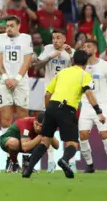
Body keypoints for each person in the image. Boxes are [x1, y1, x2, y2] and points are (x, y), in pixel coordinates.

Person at [23, 50, 107, 179]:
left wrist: (48, 110)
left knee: (45, 141)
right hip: (67, 109)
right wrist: (99, 112)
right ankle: (64, 160)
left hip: (51, 106)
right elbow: (89, 94)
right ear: (86, 62)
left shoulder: (62, 72)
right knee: (72, 143)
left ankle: (27, 170)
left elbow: (47, 93)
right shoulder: (85, 75)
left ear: (72, 61)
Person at [32, 29, 76, 172]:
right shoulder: (47, 49)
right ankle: (51, 161)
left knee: (68, 128)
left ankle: (71, 161)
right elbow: (37, 66)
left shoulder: (71, 52)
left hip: (65, 94)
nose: (55, 41)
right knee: (48, 129)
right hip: (50, 93)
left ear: (64, 39)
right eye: (53, 38)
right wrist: (50, 56)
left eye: (58, 38)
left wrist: (70, 55)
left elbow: (79, 70)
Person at [79, 39, 107, 174]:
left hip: (102, 105)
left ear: (95, 50)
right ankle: (90, 166)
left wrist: (104, 97)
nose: (85, 48)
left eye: (88, 46)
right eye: (84, 46)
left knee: (104, 133)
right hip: (86, 105)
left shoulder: (106, 66)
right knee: (83, 135)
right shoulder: (80, 67)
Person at [0, 15, 33, 128]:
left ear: (19, 26)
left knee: (23, 116)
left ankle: (23, 143)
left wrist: (16, 80)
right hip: (4, 81)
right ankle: (7, 144)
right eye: (7, 26)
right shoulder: (1, 38)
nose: (9, 28)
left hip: (20, 81)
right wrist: (6, 78)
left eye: (12, 26)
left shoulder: (26, 38)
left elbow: (27, 61)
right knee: (5, 118)